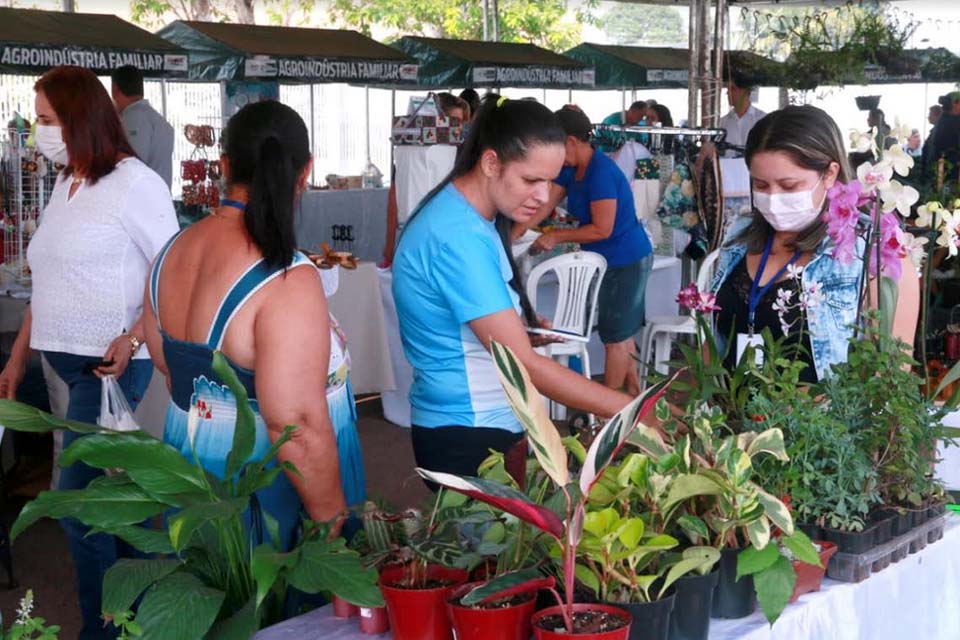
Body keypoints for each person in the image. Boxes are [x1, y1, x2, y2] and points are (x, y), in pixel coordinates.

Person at [0, 65, 178, 640]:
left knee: (78, 505)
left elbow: (168, 273)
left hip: (108, 368)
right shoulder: (65, 183)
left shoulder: (134, 183)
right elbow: (48, 281)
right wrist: (19, 355)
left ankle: (101, 631)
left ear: (81, 118)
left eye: (48, 121)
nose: (39, 133)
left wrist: (132, 337)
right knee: (115, 505)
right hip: (60, 359)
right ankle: (142, 618)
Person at [143, 101, 365, 549]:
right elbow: (297, 428)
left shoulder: (170, 253)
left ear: (224, 166)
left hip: (193, 482)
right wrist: (332, 522)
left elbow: (173, 372)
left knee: (210, 606)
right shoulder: (285, 278)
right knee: (281, 617)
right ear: (305, 172)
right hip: (269, 502)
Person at [392, 96, 632, 481]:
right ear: (490, 163)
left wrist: (520, 329)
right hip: (467, 430)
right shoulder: (457, 235)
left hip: (486, 421)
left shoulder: (471, 218)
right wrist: (631, 411)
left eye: (551, 181)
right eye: (531, 180)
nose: (542, 196)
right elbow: (523, 364)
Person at [712, 105, 919, 383]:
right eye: (760, 185)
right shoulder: (740, 235)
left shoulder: (873, 254)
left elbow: (890, 380)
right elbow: (712, 347)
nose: (773, 199)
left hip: (820, 424)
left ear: (830, 174)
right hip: (729, 420)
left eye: (789, 186)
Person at [527, 106, 654, 396]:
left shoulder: (601, 172)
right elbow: (545, 204)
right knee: (618, 334)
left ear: (571, 141)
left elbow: (602, 229)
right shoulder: (572, 170)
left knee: (615, 338)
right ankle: (633, 395)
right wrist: (516, 233)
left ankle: (607, 412)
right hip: (607, 262)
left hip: (627, 259)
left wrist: (556, 237)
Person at [110, 65, 175, 189]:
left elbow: (129, 166)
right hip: (158, 198)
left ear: (115, 89)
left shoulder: (133, 119)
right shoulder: (155, 118)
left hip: (142, 200)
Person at [719, 75, 765, 154]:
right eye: (728, 89)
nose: (727, 93)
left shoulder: (762, 120)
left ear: (745, 91)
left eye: (732, 89)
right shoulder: (723, 122)